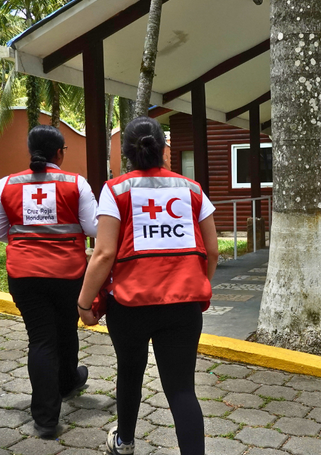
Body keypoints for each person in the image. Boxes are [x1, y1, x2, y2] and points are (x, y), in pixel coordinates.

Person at [76, 117, 218, 455]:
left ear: (126, 153)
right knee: (182, 389)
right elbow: (212, 250)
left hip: (130, 306)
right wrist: (198, 283)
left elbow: (104, 253)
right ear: (163, 150)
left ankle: (124, 442)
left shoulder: (115, 190)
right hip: (183, 306)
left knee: (129, 372)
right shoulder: (192, 189)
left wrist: (83, 304)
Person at [0, 125, 98, 439]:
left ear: (31, 151)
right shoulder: (76, 184)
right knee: (65, 329)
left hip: (23, 276)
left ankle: (47, 418)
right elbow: (93, 228)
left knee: (41, 340)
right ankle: (67, 383)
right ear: (59, 152)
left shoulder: (8, 184)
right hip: (67, 275)